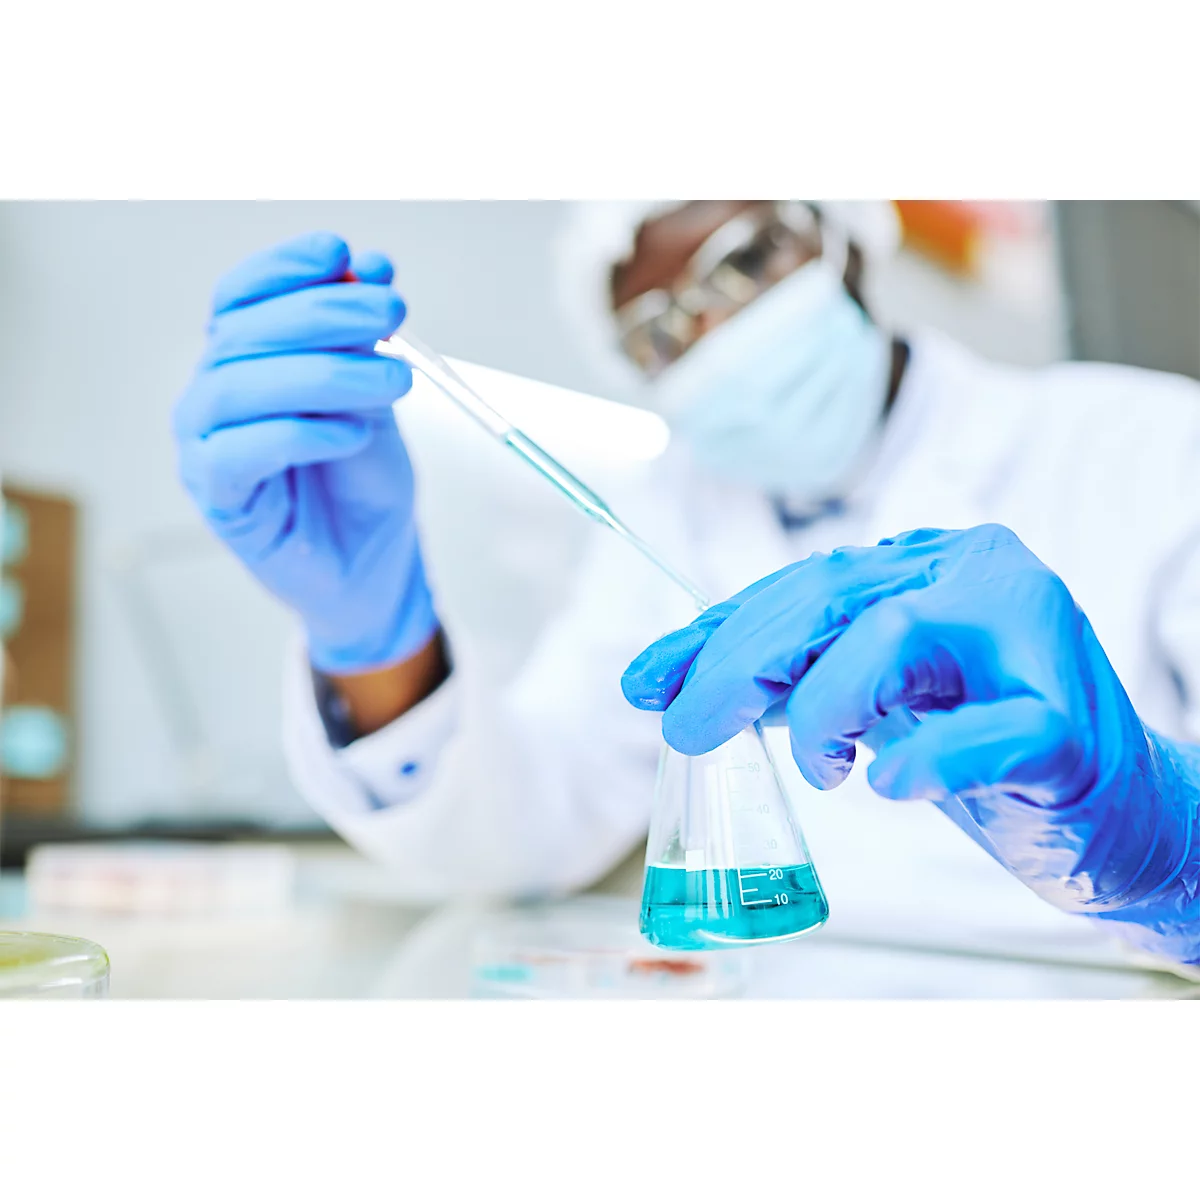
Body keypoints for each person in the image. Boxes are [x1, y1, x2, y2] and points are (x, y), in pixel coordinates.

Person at [173, 204, 1200, 963]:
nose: (715, 332)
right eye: (660, 329)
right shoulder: (670, 508)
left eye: (744, 261)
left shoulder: (1147, 442)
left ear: (844, 242)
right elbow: (526, 826)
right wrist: (372, 631)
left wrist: (1174, 844)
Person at [620, 524, 1200, 965]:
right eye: (647, 354)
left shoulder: (1150, 438)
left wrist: (1178, 843)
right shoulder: (669, 488)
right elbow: (560, 776)